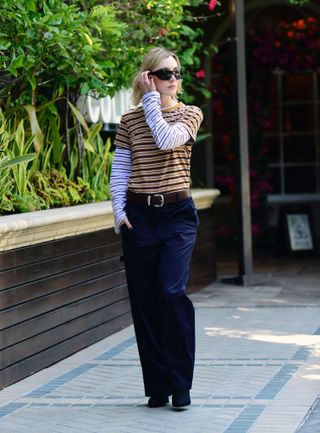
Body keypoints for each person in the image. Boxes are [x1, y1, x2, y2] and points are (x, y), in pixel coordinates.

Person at [110, 47, 203, 410]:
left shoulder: (190, 114)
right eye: (165, 73)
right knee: (144, 301)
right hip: (140, 215)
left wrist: (151, 99)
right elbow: (121, 168)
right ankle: (158, 385)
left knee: (171, 292)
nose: (174, 79)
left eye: (177, 73)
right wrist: (119, 211)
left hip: (178, 215)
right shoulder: (129, 121)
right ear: (149, 76)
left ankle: (181, 383)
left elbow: (165, 139)